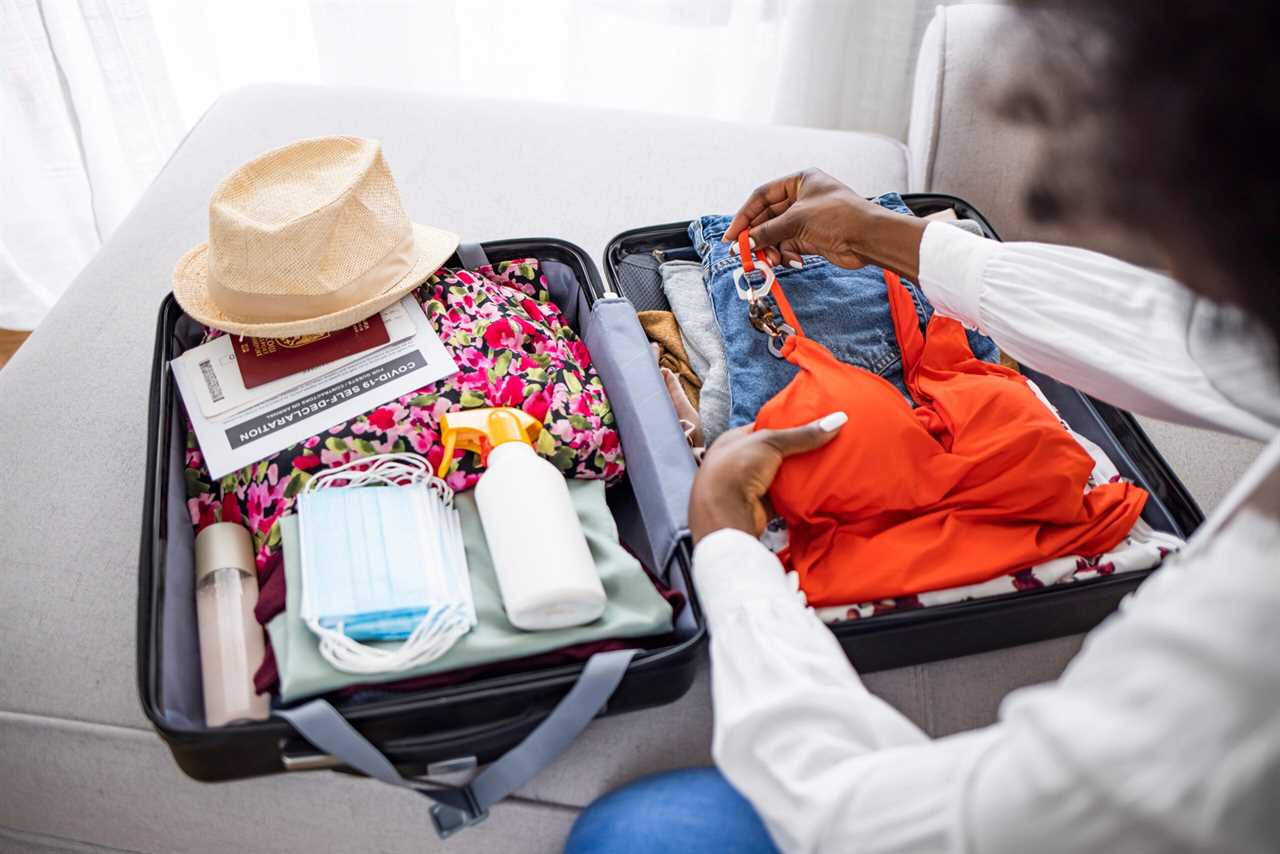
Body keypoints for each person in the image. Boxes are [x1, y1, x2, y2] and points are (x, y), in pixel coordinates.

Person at [564, 1, 1280, 852]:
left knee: (633, 836)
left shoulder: (1241, 663)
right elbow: (1199, 343)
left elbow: (872, 823)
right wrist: (898, 242)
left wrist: (722, 546)